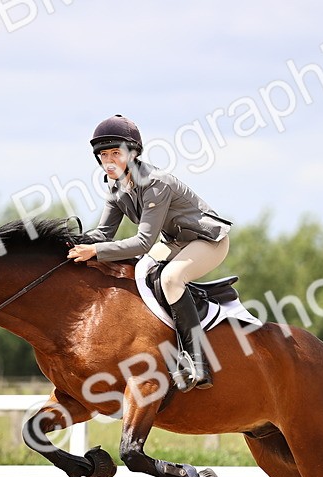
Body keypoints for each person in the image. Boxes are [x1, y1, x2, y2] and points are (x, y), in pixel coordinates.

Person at [67, 114, 231, 391]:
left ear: (132, 154)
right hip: (176, 240)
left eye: (116, 153)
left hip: (208, 239)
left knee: (171, 279)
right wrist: (70, 243)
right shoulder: (116, 186)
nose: (109, 161)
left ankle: (198, 361)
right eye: (103, 154)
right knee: (140, 271)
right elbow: (103, 234)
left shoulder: (156, 183)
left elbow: (143, 242)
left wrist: (95, 250)